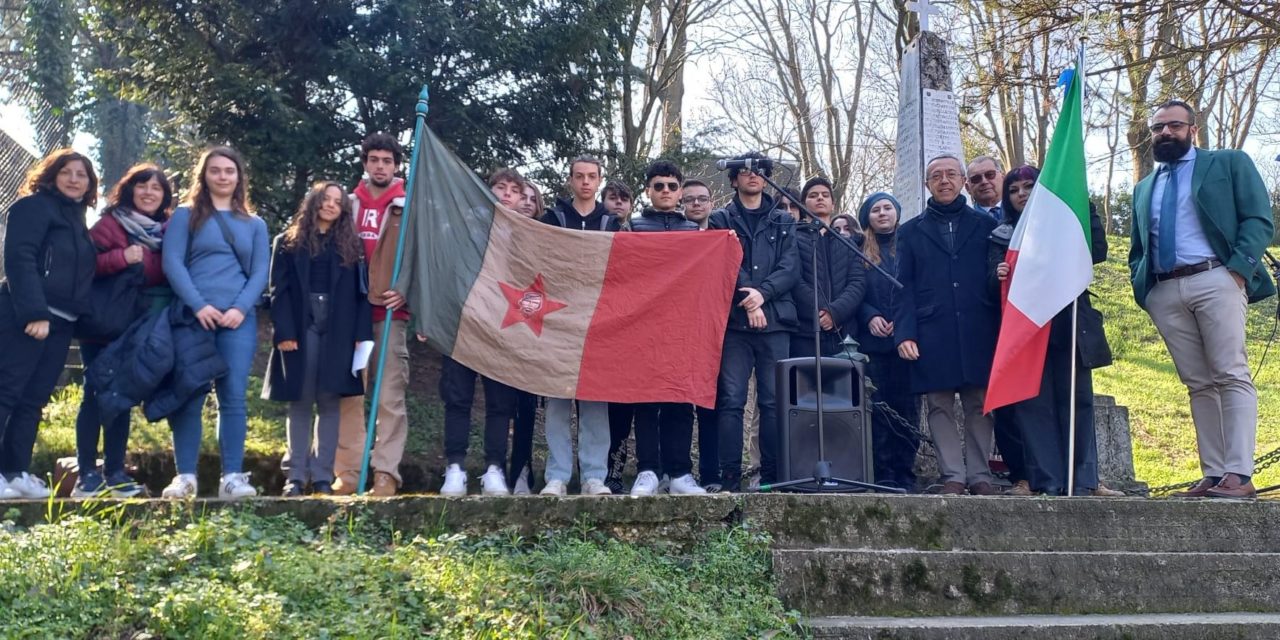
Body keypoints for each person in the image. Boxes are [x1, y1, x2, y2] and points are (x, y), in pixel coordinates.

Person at [1129, 100, 1275, 499]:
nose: (1164, 133)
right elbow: (1139, 246)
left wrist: (1237, 270)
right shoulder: (1144, 187)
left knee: (1231, 372)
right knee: (1197, 383)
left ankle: (1240, 475)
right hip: (1165, 289)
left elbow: (1259, 218)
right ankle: (1213, 474)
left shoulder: (1227, 163)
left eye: (1174, 126)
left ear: (1193, 129)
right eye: (1158, 128)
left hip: (1216, 277)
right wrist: (1144, 288)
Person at [990, 166, 1122, 498]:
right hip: (1028, 330)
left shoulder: (1067, 224)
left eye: (1029, 187)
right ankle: (1045, 479)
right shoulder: (1002, 234)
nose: (1022, 194)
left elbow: (1098, 250)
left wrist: (1081, 203)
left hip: (1069, 323)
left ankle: (1086, 480)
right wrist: (998, 273)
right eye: (1014, 189)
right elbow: (988, 284)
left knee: (1078, 401)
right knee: (1035, 408)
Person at [161, 146, 270, 499]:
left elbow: (259, 273)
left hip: (239, 320)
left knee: (234, 397)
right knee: (190, 395)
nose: (223, 176)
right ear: (204, 176)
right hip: (194, 319)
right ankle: (186, 477)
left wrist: (240, 308)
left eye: (229, 171)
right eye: (216, 170)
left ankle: (233, 477)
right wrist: (198, 305)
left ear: (239, 177)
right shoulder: (185, 215)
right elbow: (173, 263)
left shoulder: (255, 224)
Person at [894, 154, 999, 496]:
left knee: (979, 402)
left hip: (977, 326)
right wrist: (905, 332)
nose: (944, 181)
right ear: (927, 184)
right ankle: (953, 474)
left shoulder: (985, 227)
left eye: (951, 174)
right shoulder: (910, 231)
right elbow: (903, 286)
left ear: (963, 182)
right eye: (936, 176)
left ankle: (980, 474)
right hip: (931, 330)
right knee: (938, 404)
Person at [263, 182, 373, 496]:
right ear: (313, 203)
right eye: (325, 199)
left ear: (343, 209)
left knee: (329, 402)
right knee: (300, 401)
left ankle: (323, 476)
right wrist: (284, 332)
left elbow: (362, 295)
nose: (330, 205)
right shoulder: (286, 242)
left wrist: (360, 336)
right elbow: (278, 291)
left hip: (339, 329)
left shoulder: (352, 246)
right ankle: (295, 477)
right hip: (301, 326)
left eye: (337, 202)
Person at [0, 149, 98, 500]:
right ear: (51, 175)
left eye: (82, 174)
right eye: (66, 172)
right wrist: (34, 312)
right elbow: (19, 258)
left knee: (33, 399)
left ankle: (15, 473)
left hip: (63, 322)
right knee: (6, 392)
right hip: (26, 317)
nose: (74, 179)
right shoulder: (32, 207)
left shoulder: (78, 220)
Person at [73, 163, 174, 498]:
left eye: (156, 188)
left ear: (164, 196)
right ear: (129, 189)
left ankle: (114, 471)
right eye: (142, 186)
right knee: (95, 394)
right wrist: (121, 257)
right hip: (104, 324)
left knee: (124, 396)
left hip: (139, 326)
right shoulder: (109, 224)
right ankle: (86, 473)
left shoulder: (168, 230)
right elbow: (84, 266)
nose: (148, 193)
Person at [708, 151, 799, 491]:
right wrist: (750, 300)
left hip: (776, 322)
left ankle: (772, 478)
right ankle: (729, 477)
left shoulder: (784, 220)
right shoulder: (720, 219)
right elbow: (724, 263)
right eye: (746, 171)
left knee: (773, 402)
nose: (754, 175)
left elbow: (791, 267)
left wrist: (763, 295)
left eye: (761, 171)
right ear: (734, 179)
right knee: (731, 400)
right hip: (734, 324)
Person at [438, 169, 523, 497]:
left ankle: (493, 469)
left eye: (513, 190)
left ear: (520, 198)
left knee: (500, 404)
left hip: (503, 330)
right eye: (500, 187)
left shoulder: (529, 234)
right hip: (462, 325)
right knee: (457, 398)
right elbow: (443, 272)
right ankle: (455, 467)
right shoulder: (462, 229)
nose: (506, 194)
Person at [539, 155, 622, 495]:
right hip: (558, 321)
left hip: (600, 323)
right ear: (570, 180)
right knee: (556, 400)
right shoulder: (552, 219)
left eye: (592, 176)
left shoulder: (613, 224)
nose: (586, 182)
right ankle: (556, 476)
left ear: (599, 180)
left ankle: (593, 477)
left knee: (594, 403)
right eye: (579, 176)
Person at [624, 160, 708, 495]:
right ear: (648, 190)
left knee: (681, 401)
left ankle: (680, 474)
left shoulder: (695, 232)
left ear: (680, 193)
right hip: (645, 328)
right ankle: (648, 470)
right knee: (646, 401)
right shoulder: (632, 227)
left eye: (672, 187)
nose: (665, 192)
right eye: (658, 186)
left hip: (684, 330)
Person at [334, 133, 410, 497]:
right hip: (349, 315)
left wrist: (408, 288)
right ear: (365, 163)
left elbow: (422, 257)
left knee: (389, 396)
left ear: (397, 166)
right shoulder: (346, 205)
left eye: (387, 161)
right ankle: (348, 473)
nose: (380, 166)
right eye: (374, 160)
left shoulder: (408, 207)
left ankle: (386, 472)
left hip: (389, 314)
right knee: (349, 393)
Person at [856, 192, 919, 491]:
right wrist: (870, 316)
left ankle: (906, 470)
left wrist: (905, 325)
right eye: (875, 210)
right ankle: (884, 473)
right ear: (867, 217)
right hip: (874, 344)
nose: (882, 214)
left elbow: (917, 289)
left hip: (907, 343)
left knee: (908, 409)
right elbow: (855, 291)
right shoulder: (858, 250)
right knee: (879, 410)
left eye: (887, 208)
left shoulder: (911, 246)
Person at [791, 176, 865, 358]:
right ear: (802, 204)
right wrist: (822, 311)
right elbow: (794, 280)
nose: (820, 198)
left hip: (845, 335)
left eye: (825, 195)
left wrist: (836, 312)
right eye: (813, 195)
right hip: (805, 334)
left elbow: (858, 282)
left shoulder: (848, 244)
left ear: (833, 204)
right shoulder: (792, 239)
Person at [508, 178, 544, 494]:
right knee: (498, 404)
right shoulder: (497, 235)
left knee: (525, 406)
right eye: (523, 196)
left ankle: (522, 470)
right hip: (499, 325)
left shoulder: (548, 237)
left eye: (534, 198)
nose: (528, 202)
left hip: (535, 327)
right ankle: (494, 468)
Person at [966, 156, 1004, 221]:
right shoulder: (965, 221)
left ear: (1003, 178)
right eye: (976, 178)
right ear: (968, 188)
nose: (984, 181)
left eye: (990, 174)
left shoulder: (1022, 210)